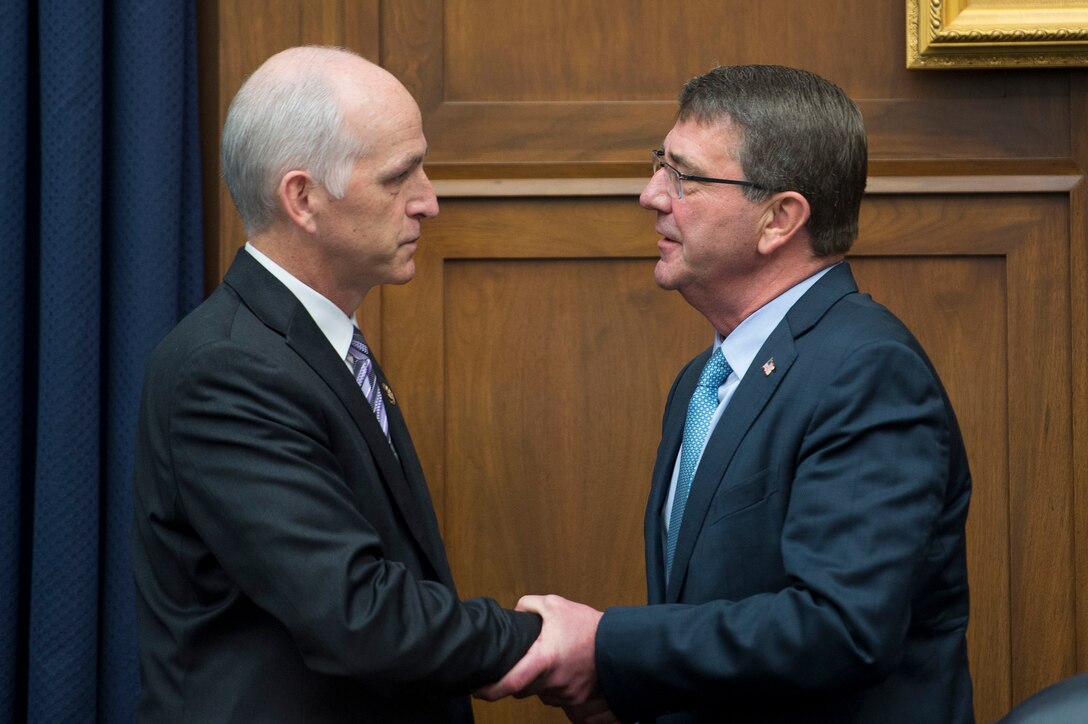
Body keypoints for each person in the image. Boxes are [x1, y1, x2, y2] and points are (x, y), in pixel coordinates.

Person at [478, 65, 974, 723]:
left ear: (778, 219)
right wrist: (626, 690)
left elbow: (841, 629)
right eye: (660, 165)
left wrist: (607, 647)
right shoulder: (703, 381)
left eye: (685, 177)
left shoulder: (869, 370)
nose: (651, 194)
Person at [131, 45, 541, 723]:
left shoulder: (314, 344)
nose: (429, 201)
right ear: (303, 198)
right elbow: (358, 616)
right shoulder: (227, 371)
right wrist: (545, 645)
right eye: (398, 177)